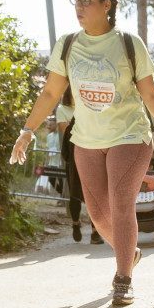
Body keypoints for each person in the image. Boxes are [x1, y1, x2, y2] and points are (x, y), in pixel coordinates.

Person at [10, 0, 154, 307]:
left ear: (107, 5)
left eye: (87, 0)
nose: (79, 7)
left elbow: (150, 93)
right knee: (97, 214)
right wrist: (27, 130)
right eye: (76, 0)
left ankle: (123, 277)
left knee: (121, 204)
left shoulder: (127, 42)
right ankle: (130, 251)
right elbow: (51, 93)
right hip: (87, 139)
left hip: (130, 135)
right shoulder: (67, 45)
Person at [57, 87, 102, 244]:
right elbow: (66, 134)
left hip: (91, 156)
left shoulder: (90, 110)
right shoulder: (63, 110)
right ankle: (75, 223)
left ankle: (95, 231)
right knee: (75, 194)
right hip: (73, 158)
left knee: (93, 194)